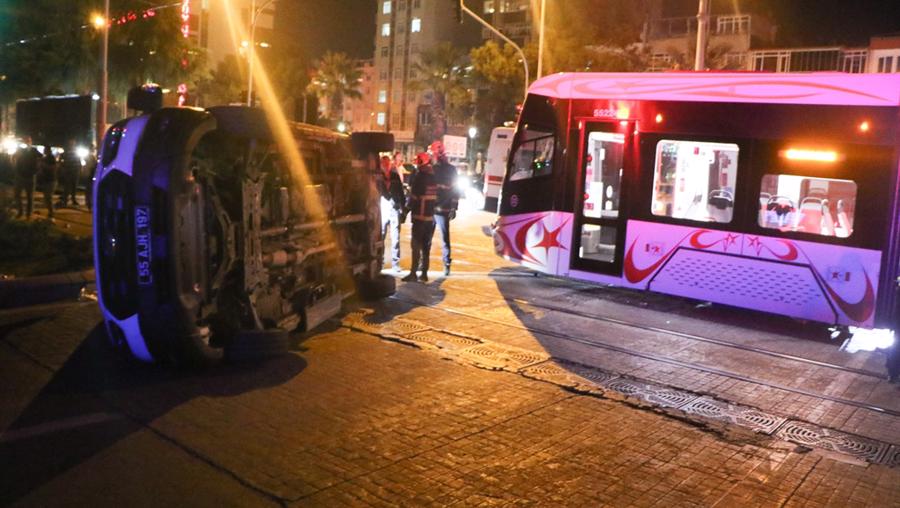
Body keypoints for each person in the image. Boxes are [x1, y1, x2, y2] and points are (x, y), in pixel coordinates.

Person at [402, 152, 437, 283]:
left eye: (418, 161)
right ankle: (424, 273)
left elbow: (413, 198)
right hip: (430, 218)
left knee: (416, 246)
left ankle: (413, 273)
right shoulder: (433, 176)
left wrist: (405, 211)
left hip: (419, 218)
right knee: (426, 246)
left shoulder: (420, 177)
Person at [430, 140, 460, 276]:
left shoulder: (434, 169)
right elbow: (455, 190)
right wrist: (454, 207)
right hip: (441, 208)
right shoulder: (450, 169)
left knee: (429, 238)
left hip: (435, 208)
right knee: (444, 238)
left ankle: (423, 264)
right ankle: (446, 264)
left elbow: (454, 189)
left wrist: (454, 207)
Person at [378, 154, 406, 273]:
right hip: (383, 207)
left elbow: (400, 191)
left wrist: (403, 207)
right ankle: (380, 262)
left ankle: (395, 263)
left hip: (394, 209)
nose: (386, 165)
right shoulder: (378, 177)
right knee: (381, 236)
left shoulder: (394, 176)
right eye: (383, 163)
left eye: (387, 163)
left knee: (395, 237)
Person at [13, 138, 41, 219]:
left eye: (28, 141)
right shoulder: (21, 150)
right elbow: (14, 157)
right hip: (20, 175)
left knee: (30, 197)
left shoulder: (34, 150)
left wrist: (36, 169)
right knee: (17, 194)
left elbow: (41, 158)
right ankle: (20, 212)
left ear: (31, 142)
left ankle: (28, 214)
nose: (27, 142)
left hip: (30, 176)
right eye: (26, 141)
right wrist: (15, 166)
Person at [37, 145, 58, 221]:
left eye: (45, 150)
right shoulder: (44, 158)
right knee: (46, 198)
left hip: (51, 180)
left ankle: (52, 212)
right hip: (46, 180)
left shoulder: (51, 158)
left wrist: (44, 166)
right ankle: (50, 212)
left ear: (48, 150)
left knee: (48, 197)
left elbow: (54, 168)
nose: (44, 151)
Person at [58, 140, 81, 208]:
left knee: (74, 186)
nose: (72, 145)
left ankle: (73, 199)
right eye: (71, 144)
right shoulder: (66, 152)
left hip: (75, 171)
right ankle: (65, 200)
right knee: (67, 186)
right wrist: (63, 167)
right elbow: (61, 160)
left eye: (73, 144)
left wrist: (80, 168)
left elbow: (79, 161)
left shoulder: (76, 152)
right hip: (68, 171)